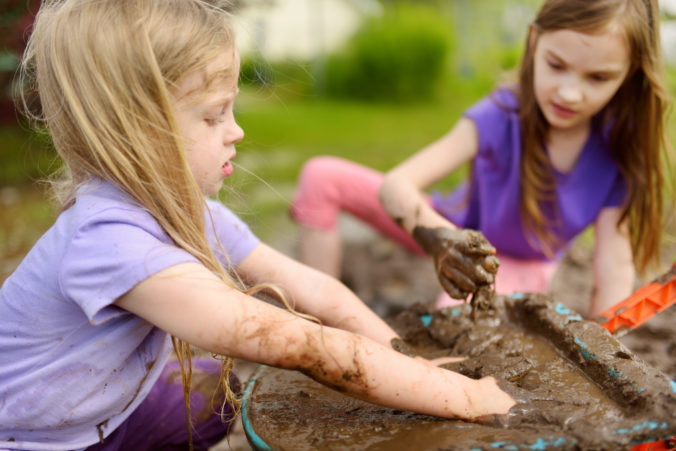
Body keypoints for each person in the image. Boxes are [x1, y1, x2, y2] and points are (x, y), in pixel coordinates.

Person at [0, 0, 516, 450]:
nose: (237, 131)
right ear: (134, 131)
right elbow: (297, 343)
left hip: (104, 414)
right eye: (213, 116)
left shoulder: (182, 210)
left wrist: (412, 364)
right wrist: (468, 398)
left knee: (219, 398)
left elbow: (317, 290)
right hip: (37, 440)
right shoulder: (111, 243)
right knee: (220, 390)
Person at [291, 0, 673, 319]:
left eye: (598, 78)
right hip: (449, 226)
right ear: (534, 41)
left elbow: (613, 267)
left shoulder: (617, 157)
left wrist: (604, 336)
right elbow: (397, 185)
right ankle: (321, 316)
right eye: (556, 66)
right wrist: (443, 242)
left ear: (629, 75)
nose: (570, 94)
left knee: (454, 323)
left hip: (512, 262)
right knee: (320, 176)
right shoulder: (501, 114)